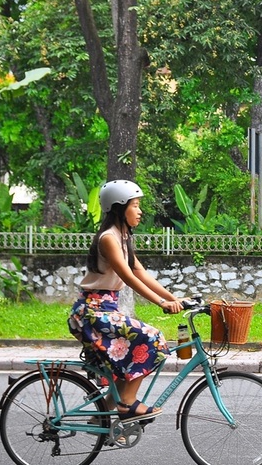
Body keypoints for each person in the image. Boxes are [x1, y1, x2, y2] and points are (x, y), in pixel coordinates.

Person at [68, 180, 182, 422]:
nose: (140, 211)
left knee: (125, 362)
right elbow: (127, 276)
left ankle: (104, 417)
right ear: (120, 207)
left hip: (105, 309)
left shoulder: (123, 237)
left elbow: (139, 271)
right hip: (91, 312)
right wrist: (160, 303)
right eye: (136, 205)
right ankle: (127, 403)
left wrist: (174, 298)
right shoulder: (109, 238)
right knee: (151, 337)